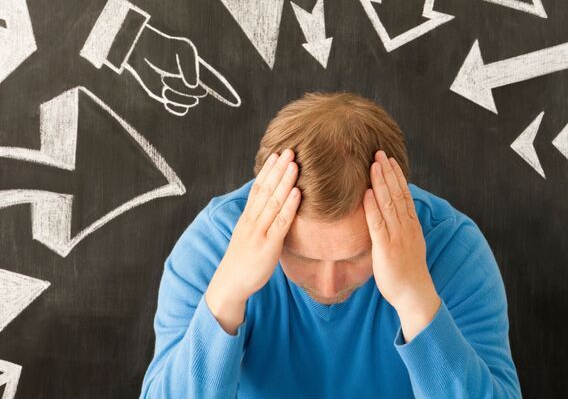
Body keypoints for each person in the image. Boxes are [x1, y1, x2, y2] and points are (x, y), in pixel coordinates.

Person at [139, 92, 522, 398]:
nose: (327, 287)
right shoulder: (212, 245)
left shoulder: (453, 248)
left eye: (356, 256)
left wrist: (415, 298)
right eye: (300, 256)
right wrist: (226, 296)